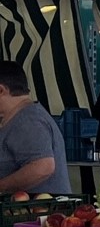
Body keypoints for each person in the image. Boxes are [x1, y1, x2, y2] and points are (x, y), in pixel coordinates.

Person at [0, 62, 71, 196]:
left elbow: (43, 167)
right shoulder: (21, 117)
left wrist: (2, 186)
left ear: (1, 90)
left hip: (39, 213)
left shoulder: (28, 121)